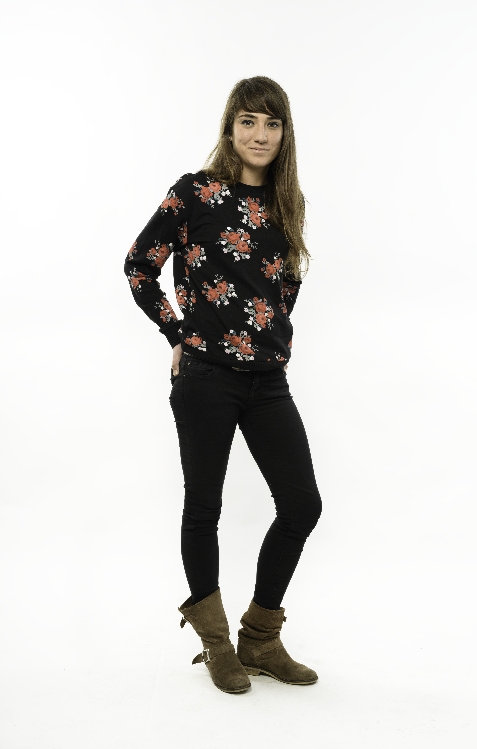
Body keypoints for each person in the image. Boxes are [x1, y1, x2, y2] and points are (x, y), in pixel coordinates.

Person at [124, 76, 322, 694]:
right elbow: (139, 266)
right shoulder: (196, 192)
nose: (259, 135)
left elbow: (284, 287)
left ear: (285, 133)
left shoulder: (288, 203)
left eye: (272, 123)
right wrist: (177, 334)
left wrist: (269, 340)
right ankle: (216, 645)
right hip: (206, 377)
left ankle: (260, 638)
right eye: (248, 122)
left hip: (268, 381)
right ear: (230, 128)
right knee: (203, 508)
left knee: (302, 505)